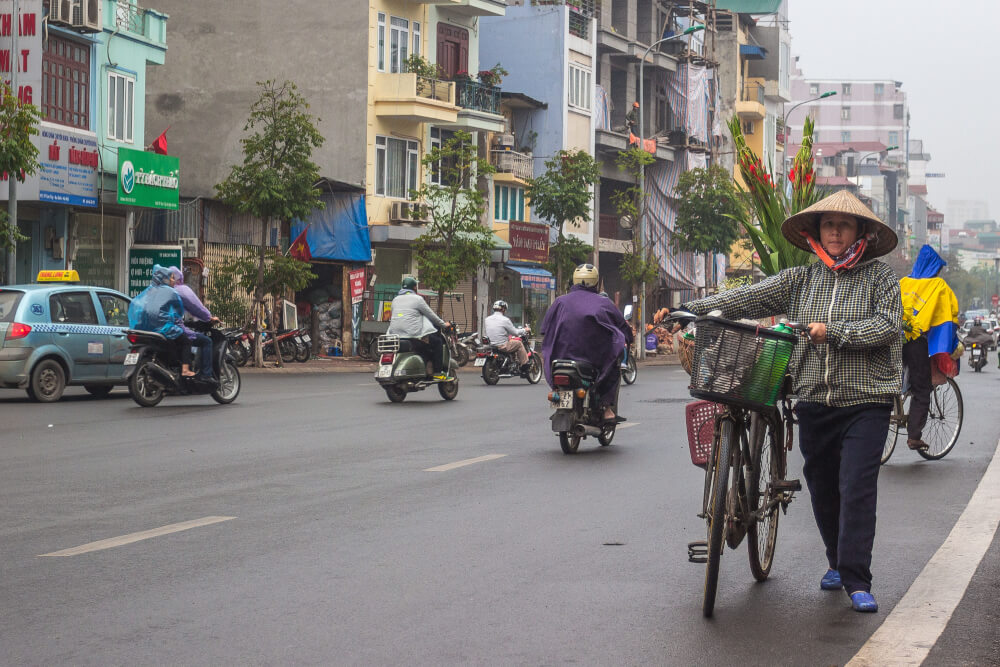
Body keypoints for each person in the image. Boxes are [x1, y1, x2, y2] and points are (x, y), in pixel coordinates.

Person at [675, 190, 902, 614]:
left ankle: (856, 579)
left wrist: (832, 332)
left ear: (861, 234)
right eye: (828, 225)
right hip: (814, 399)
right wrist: (693, 307)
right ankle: (836, 560)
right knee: (821, 485)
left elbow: (888, 326)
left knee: (855, 488)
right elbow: (748, 297)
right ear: (817, 232)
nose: (835, 231)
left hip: (866, 402)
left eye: (844, 225)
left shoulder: (880, 279)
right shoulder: (801, 279)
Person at [540, 263, 634, 422]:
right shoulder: (604, 303)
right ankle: (607, 409)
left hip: (560, 357)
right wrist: (629, 338)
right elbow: (622, 326)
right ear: (596, 282)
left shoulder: (559, 302)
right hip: (592, 359)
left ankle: (561, 402)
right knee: (613, 368)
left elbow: (544, 329)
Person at [899, 245, 960, 451]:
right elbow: (949, 314)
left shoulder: (903, 282)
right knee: (922, 389)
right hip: (917, 341)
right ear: (935, 267)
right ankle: (914, 436)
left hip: (894, 338)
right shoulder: (938, 285)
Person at [127, 264, 196, 377]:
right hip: (163, 329)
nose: (174, 280)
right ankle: (185, 370)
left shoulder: (148, 291)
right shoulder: (171, 292)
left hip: (142, 329)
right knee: (186, 341)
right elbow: (179, 311)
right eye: (172, 278)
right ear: (165, 278)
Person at [386, 277, 452, 380]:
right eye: (416, 286)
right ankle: (438, 373)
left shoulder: (395, 300)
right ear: (414, 287)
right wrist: (443, 324)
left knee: (425, 347)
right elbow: (431, 315)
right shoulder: (417, 299)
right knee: (438, 342)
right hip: (413, 337)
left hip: (396, 337)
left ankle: (424, 366)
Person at [169, 266, 219, 381]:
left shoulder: (156, 290)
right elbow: (196, 307)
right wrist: (209, 317)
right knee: (206, 341)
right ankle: (206, 375)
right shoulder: (180, 290)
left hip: (158, 329)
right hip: (173, 328)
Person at [484, 300, 531, 375]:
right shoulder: (505, 320)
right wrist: (525, 329)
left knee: (511, 342)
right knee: (519, 343)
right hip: (502, 345)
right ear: (503, 309)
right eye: (505, 309)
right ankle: (524, 365)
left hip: (491, 345)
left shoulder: (487, 319)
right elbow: (515, 332)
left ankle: (511, 360)